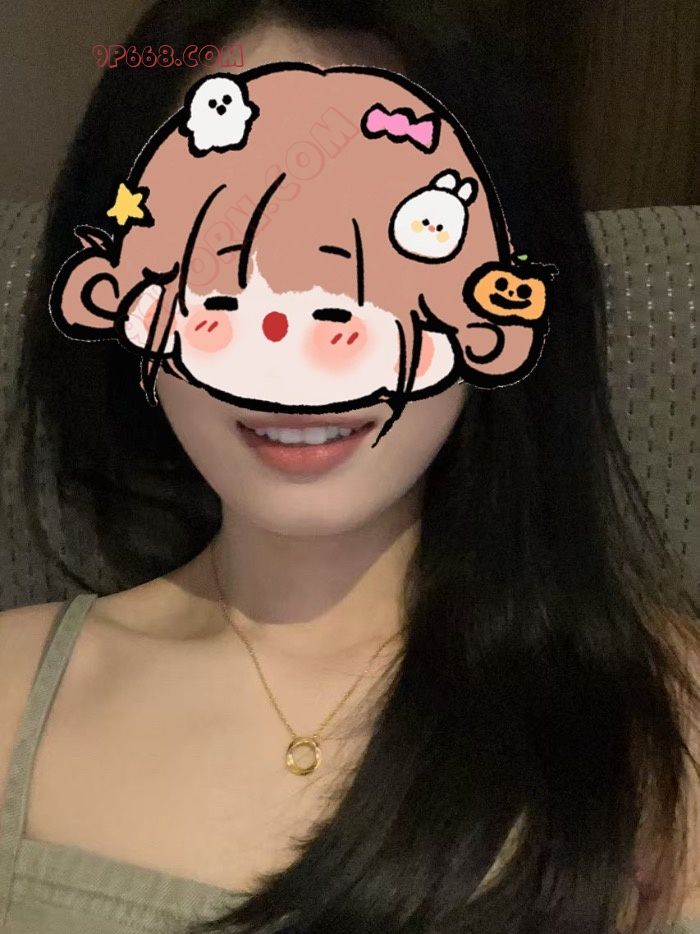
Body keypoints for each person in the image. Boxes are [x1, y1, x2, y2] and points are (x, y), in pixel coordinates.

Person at [0, 1, 699, 933]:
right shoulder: (13, 690)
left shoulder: (665, 716)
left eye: (371, 272)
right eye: (225, 273)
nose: (294, 355)